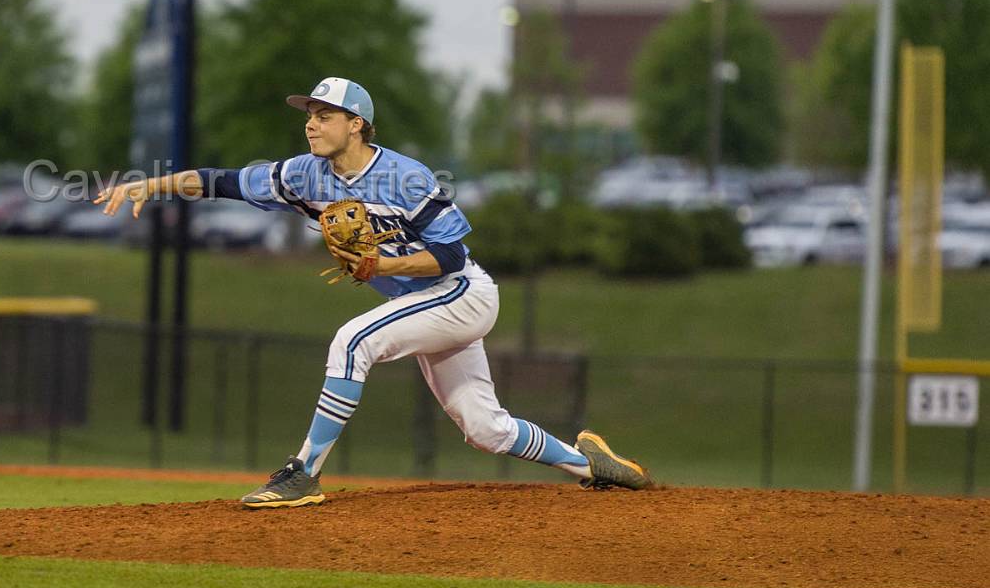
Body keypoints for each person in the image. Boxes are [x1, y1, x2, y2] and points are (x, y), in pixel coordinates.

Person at [96, 76, 653, 507]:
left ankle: (304, 475)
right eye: (309, 115)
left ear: (357, 124)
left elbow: (453, 254)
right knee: (486, 430)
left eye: (324, 115)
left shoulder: (406, 176)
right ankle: (590, 466)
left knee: (352, 341)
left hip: (462, 293)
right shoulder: (301, 174)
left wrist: (385, 262)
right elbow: (222, 181)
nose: (311, 124)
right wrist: (153, 183)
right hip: (423, 305)